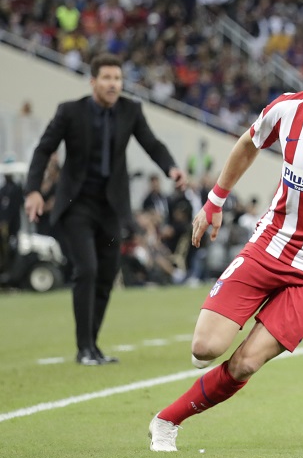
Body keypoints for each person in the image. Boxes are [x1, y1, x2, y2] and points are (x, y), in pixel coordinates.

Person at [148, 23, 303, 452]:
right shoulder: (286, 110)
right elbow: (249, 144)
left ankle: (167, 421)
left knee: (246, 363)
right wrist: (215, 200)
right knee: (205, 347)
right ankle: (209, 348)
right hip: (269, 246)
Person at [24, 53, 187, 366]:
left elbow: (152, 144)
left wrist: (171, 169)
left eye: (118, 79)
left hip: (111, 207)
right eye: (107, 78)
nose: (113, 84)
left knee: (107, 273)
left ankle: (93, 346)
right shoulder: (70, 111)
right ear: (93, 81)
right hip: (76, 205)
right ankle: (84, 348)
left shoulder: (130, 110)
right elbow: (44, 149)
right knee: (86, 269)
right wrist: (33, 190)